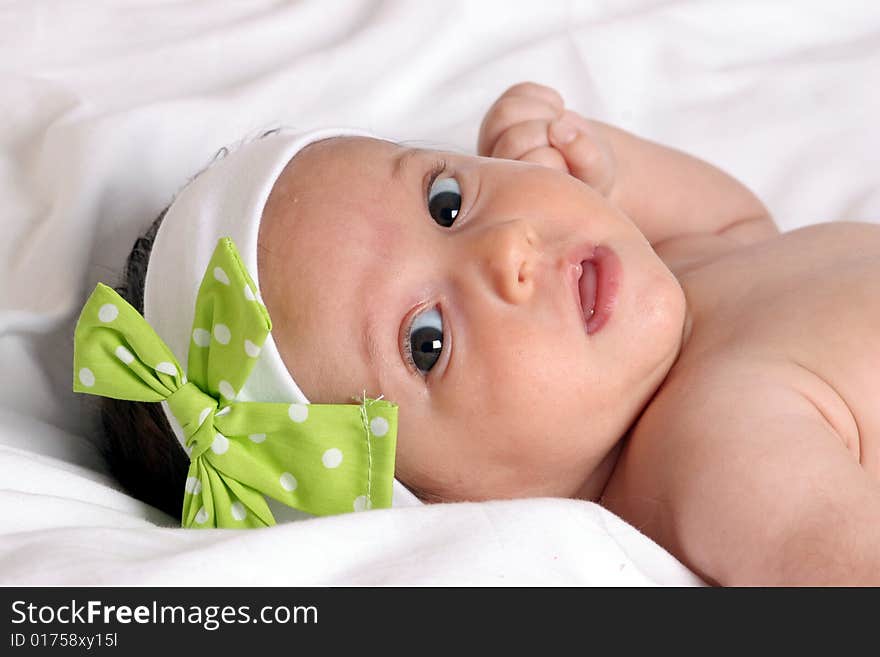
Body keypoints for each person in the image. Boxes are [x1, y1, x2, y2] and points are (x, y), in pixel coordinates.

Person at [81, 82, 880, 585]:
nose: (504, 249)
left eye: (447, 201)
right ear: (450, 506)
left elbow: (749, 225)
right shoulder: (724, 463)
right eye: (427, 340)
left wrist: (605, 165)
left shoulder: (668, 273)